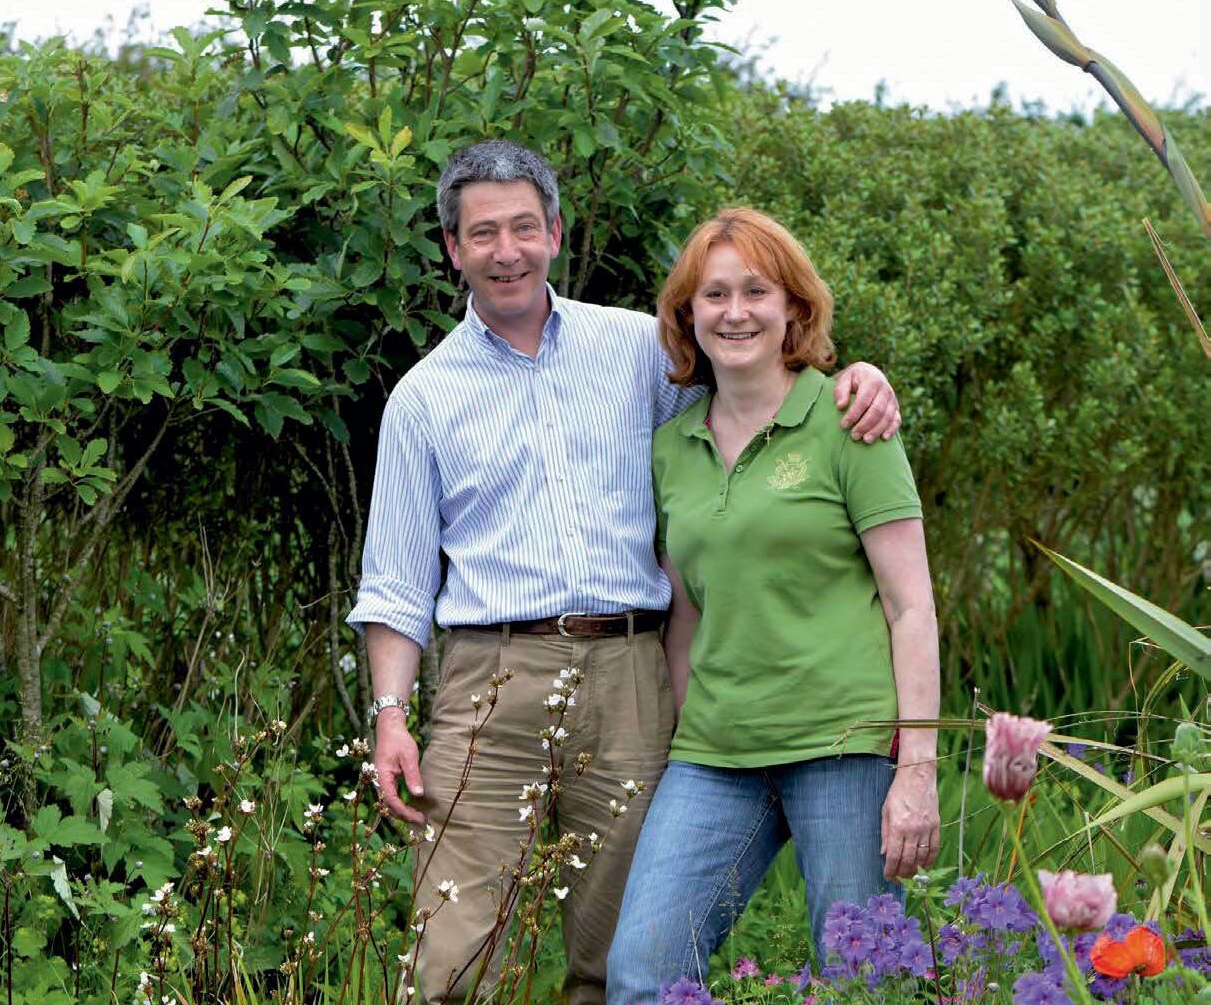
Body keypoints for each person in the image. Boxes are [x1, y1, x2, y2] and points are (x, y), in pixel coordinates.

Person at [347, 142, 902, 1005]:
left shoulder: (640, 351)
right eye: (483, 232)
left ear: (556, 233)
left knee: (622, 956)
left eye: (524, 227)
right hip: (488, 682)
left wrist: (856, 380)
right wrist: (390, 714)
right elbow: (394, 582)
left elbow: (752, 404)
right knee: (450, 957)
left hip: (633, 676)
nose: (507, 250)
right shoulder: (422, 397)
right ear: (452, 249)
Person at [604, 208, 940, 1005]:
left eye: (757, 289)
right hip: (717, 758)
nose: (735, 310)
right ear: (687, 316)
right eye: (713, 294)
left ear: (794, 305)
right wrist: (689, 733)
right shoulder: (672, 447)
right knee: (643, 973)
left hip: (845, 747)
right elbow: (686, 615)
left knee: (864, 982)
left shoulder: (850, 421)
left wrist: (916, 770)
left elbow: (911, 607)